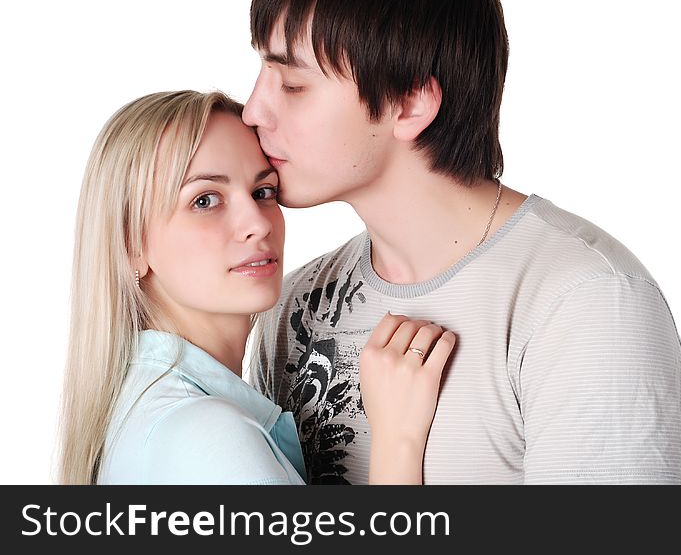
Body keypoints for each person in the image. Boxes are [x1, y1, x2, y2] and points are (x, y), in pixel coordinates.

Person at [243, 0, 681, 485]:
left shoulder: (586, 305)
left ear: (409, 104)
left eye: (293, 84)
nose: (254, 111)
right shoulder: (293, 308)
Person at [57, 90, 455, 485]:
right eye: (205, 200)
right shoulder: (207, 435)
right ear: (130, 245)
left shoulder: (147, 409)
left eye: (262, 192)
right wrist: (397, 443)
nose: (259, 223)